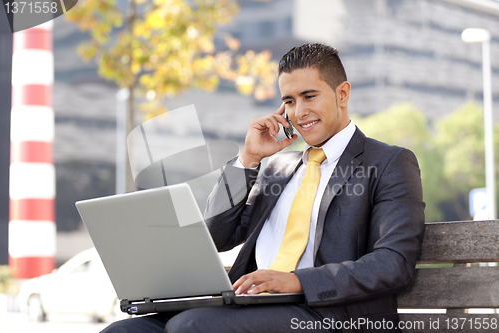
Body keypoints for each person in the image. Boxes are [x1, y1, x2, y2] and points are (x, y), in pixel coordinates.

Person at [102, 43, 425, 333]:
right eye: (289, 101)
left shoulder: (388, 162)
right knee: (124, 331)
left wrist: (297, 281)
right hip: (252, 305)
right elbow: (217, 236)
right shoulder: (276, 168)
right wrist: (248, 159)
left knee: (193, 326)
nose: (299, 113)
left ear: (342, 94)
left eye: (309, 96)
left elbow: (393, 262)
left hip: (328, 313)